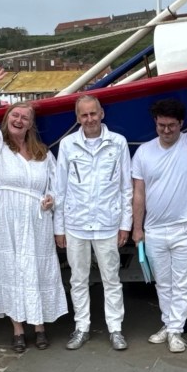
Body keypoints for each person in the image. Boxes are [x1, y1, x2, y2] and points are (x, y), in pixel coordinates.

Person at [0, 66, 66, 352]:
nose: (19, 120)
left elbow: (57, 186)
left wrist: (50, 198)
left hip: (36, 220)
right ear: (7, 119)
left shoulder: (42, 153)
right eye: (15, 116)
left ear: (31, 124)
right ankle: (18, 329)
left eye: (25, 117)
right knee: (10, 269)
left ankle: (40, 325)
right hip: (6, 218)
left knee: (36, 268)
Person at [131, 54, 187, 353]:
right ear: (156, 123)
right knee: (162, 283)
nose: (167, 130)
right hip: (154, 229)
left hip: (186, 226)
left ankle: (176, 329)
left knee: (184, 282)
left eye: (172, 125)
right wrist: (137, 229)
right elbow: (138, 194)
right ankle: (169, 322)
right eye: (162, 125)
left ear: (180, 124)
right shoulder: (143, 153)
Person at [54, 95, 132, 351]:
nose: (89, 119)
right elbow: (60, 189)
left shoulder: (117, 144)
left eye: (93, 114)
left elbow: (126, 189)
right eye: (84, 115)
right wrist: (59, 227)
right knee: (78, 279)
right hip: (76, 224)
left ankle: (116, 328)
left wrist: (125, 225)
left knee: (111, 278)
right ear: (78, 118)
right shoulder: (68, 145)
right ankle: (82, 327)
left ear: (102, 114)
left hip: (108, 223)